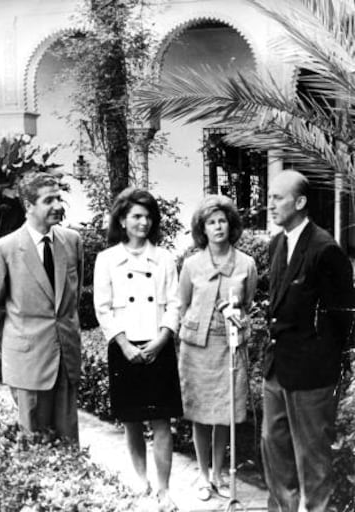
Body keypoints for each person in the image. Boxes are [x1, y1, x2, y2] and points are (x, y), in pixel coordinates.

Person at [262, 169, 354, 512]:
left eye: (277, 198)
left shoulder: (324, 249)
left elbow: (342, 316)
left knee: (313, 462)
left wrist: (320, 364)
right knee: (274, 450)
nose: (270, 204)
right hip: (276, 369)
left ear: (300, 202)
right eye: (270, 197)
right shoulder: (277, 243)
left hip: (311, 376)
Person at [0, 172, 84, 442]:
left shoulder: (72, 242)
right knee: (33, 444)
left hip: (66, 360)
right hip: (27, 363)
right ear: (28, 206)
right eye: (49, 200)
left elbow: (73, 298)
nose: (58, 206)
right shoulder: (4, 250)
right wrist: (18, 338)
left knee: (68, 442)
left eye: (59, 198)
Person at [93, 187, 182, 512]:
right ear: (122, 220)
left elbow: (175, 304)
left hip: (158, 346)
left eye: (148, 217)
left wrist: (161, 340)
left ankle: (163, 490)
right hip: (124, 348)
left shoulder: (165, 258)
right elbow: (102, 308)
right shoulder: (107, 259)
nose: (143, 223)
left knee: (161, 421)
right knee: (131, 420)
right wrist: (124, 344)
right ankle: (141, 483)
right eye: (136, 216)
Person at [178, 195, 257, 501]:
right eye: (211, 222)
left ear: (230, 224)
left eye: (222, 220)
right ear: (203, 229)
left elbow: (247, 304)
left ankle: (219, 473)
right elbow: (183, 305)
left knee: (224, 413)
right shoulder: (191, 264)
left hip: (230, 347)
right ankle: (202, 476)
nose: (217, 226)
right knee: (199, 413)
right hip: (198, 349)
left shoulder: (246, 264)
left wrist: (236, 318)